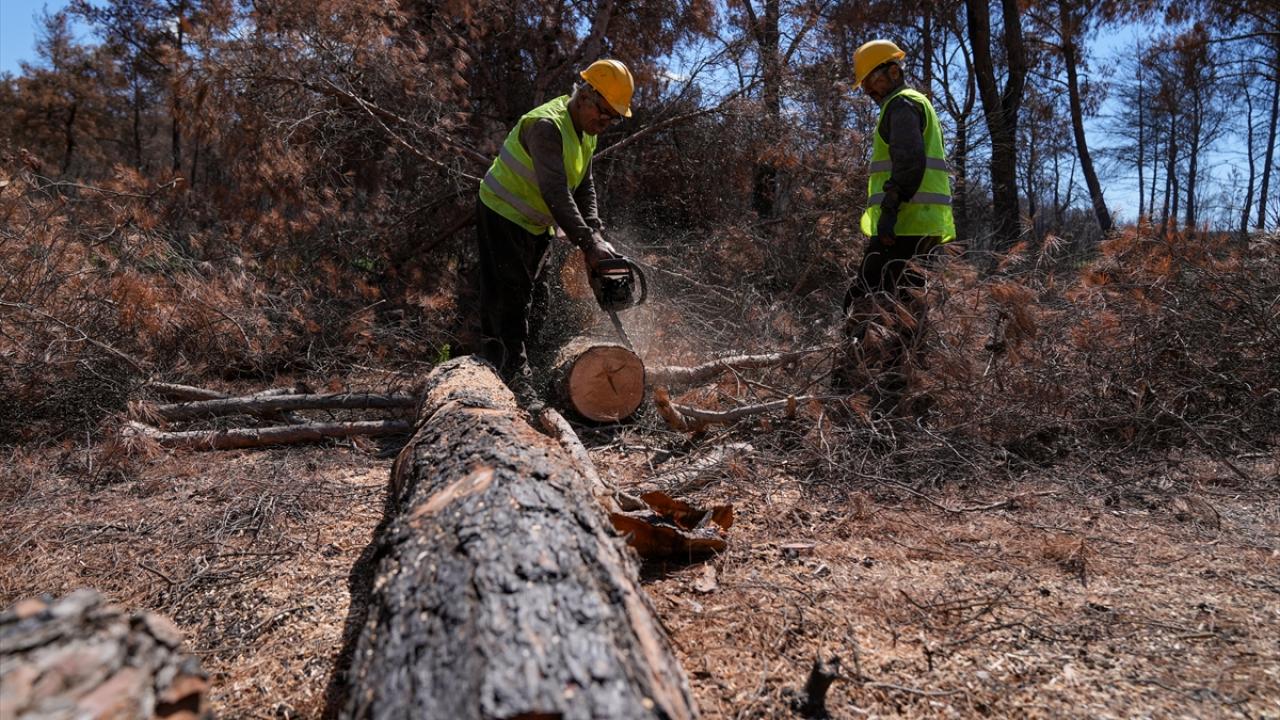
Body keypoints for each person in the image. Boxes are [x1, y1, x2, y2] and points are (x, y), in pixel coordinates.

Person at [475, 59, 633, 401]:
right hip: (503, 213)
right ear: (586, 95)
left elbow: (584, 185)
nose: (605, 123)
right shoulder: (548, 126)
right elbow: (556, 192)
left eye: (613, 118)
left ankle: (531, 369)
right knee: (511, 299)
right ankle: (508, 379)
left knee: (539, 301)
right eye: (604, 114)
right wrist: (588, 245)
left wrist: (595, 232)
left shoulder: (585, 132)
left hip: (535, 222)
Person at [835, 40, 956, 409]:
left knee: (863, 297)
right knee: (906, 305)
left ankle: (846, 382)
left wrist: (889, 209)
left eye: (872, 81)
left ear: (892, 71)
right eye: (865, 85)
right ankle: (903, 385)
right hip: (921, 225)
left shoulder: (901, 105)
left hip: (905, 224)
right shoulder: (915, 103)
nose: (869, 91)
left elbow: (910, 162)